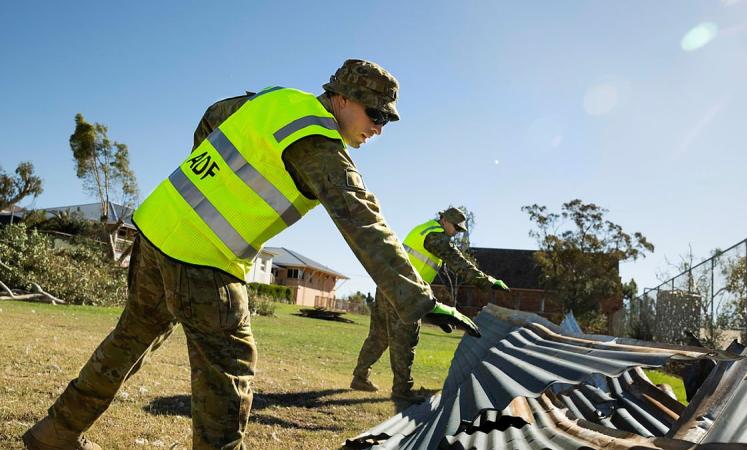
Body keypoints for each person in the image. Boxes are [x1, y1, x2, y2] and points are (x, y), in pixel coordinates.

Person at [23, 59, 480, 450]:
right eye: (375, 114)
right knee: (229, 374)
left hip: (159, 228)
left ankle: (55, 432)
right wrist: (421, 302)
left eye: (387, 121)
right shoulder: (319, 146)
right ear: (341, 98)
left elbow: (212, 116)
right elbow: (363, 224)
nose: (379, 128)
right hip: (206, 257)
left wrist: (209, 178)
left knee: (128, 341)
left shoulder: (273, 99)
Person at [351, 207, 510, 403]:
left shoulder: (423, 230)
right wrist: (486, 281)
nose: (455, 233)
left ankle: (360, 376)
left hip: (388, 285)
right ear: (443, 220)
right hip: (404, 292)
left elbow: (419, 272)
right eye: (455, 228)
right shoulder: (435, 237)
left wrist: (432, 310)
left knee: (380, 335)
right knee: (406, 338)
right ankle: (402, 390)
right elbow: (457, 262)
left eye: (459, 230)